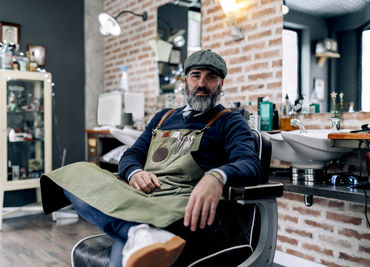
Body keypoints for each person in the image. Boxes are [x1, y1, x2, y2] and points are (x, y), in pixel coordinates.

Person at [41, 49, 262, 267]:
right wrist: (135, 172)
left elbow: (250, 163)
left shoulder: (230, 121)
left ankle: (136, 232)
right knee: (74, 173)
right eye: (196, 76)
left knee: (126, 244)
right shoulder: (163, 117)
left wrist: (217, 176)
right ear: (186, 81)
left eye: (211, 77)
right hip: (143, 197)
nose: (202, 83)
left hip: (180, 205)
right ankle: (139, 233)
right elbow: (131, 155)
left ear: (220, 84)